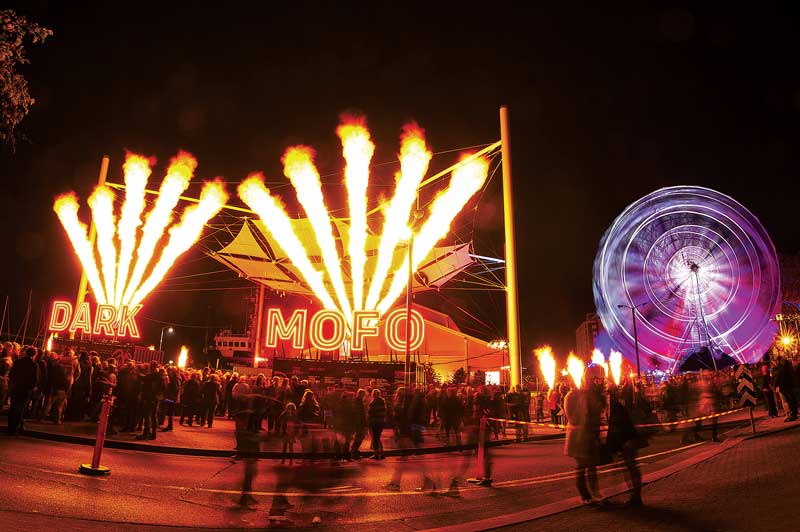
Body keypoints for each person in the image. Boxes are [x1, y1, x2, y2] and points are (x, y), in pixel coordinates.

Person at [564, 365, 605, 504]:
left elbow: (596, 413)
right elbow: (573, 417)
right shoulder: (571, 396)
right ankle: (586, 495)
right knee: (582, 466)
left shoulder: (588, 395)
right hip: (578, 436)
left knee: (591, 466)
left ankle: (595, 492)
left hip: (588, 436)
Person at [607, 384, 643, 506]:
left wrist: (614, 446)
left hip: (627, 442)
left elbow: (616, 429)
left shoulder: (615, 408)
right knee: (631, 468)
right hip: (628, 440)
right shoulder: (619, 406)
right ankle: (635, 495)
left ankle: (636, 496)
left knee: (631, 469)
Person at [7, 346, 39, 435]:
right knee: (21, 408)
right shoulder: (33, 365)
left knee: (13, 407)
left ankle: (10, 427)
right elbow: (34, 379)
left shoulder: (18, 362)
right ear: (34, 354)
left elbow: (11, 374)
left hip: (16, 387)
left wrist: (14, 383)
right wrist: (31, 387)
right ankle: (15, 428)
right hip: (25, 389)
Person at [367, 388, 386, 460]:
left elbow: (370, 413)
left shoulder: (373, 403)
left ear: (373, 395)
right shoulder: (382, 402)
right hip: (380, 422)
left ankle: (376, 454)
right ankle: (382, 452)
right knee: (378, 437)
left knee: (375, 438)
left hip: (374, 422)